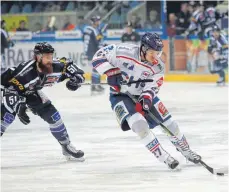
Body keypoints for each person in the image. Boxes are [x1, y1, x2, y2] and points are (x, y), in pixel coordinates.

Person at [91, 33, 201, 169]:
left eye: (158, 53)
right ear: (143, 48)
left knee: (170, 124)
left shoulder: (158, 67)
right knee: (139, 126)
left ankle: (186, 151)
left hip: (143, 94)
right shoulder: (123, 52)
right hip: (120, 96)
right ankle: (163, 157)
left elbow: (154, 85)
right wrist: (111, 72)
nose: (155, 57)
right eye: (152, 53)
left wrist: (146, 99)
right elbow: (97, 57)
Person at [1, 42, 85, 160]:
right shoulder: (25, 72)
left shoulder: (57, 66)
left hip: (31, 92)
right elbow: (9, 89)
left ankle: (66, 146)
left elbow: (72, 67)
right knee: (6, 118)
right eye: (46, 57)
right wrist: (19, 106)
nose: (50, 60)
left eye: (51, 56)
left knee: (54, 117)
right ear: (37, 57)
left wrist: (77, 80)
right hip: (8, 91)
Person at [83, 15, 105, 94]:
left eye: (99, 20)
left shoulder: (97, 30)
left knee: (97, 68)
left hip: (96, 52)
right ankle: (94, 86)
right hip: (92, 52)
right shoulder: (90, 29)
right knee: (96, 68)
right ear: (93, 22)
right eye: (96, 21)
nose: (98, 22)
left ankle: (96, 85)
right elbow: (89, 41)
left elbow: (99, 41)